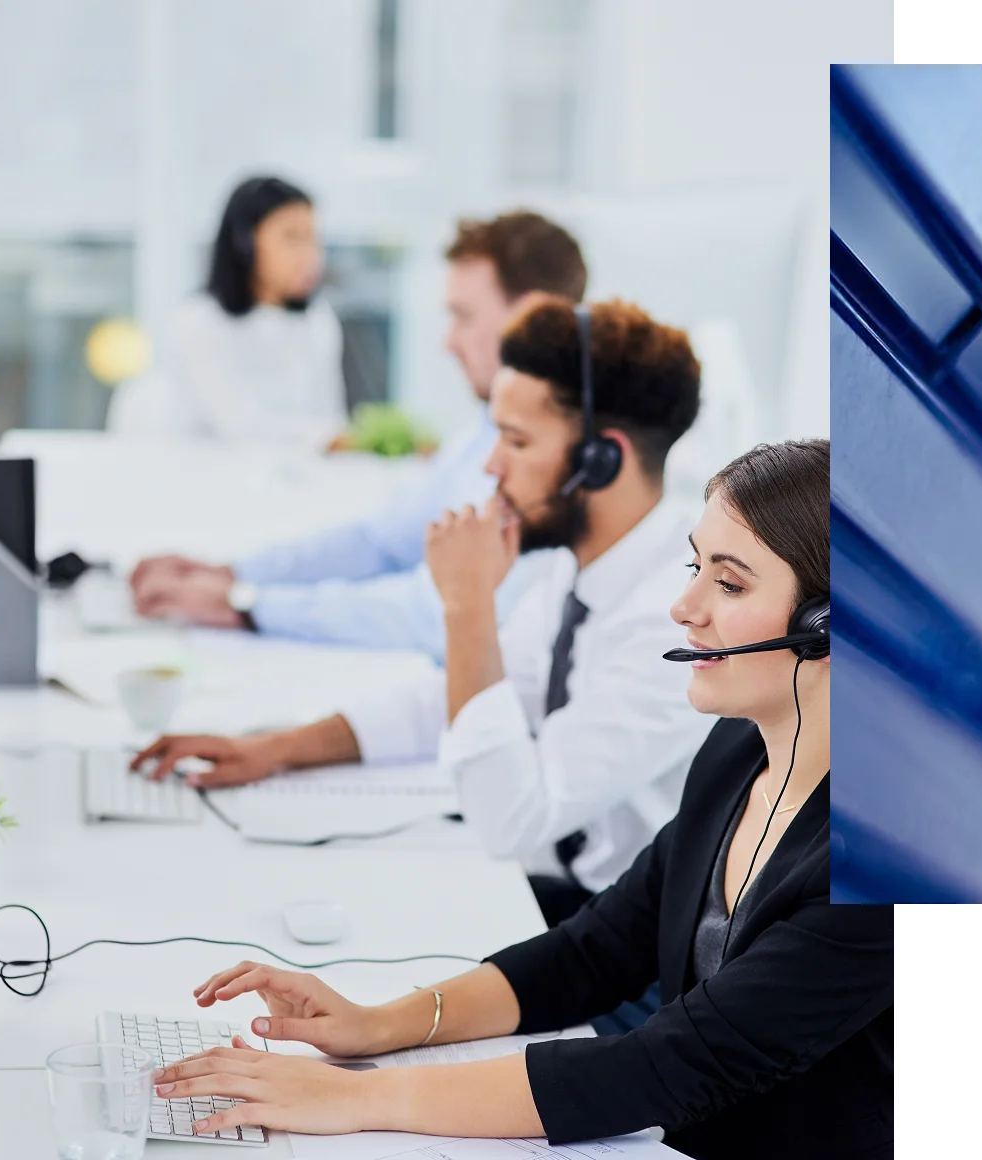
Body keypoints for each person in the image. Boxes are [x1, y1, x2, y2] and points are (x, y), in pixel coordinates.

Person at [147, 439, 898, 1159]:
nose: (683, 606)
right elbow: (594, 950)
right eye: (694, 567)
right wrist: (376, 1025)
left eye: (728, 584)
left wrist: (355, 1100)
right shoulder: (741, 749)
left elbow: (668, 1064)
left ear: (826, 626)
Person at [133, 297, 719, 928]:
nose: (491, 466)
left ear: (602, 459)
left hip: (623, 943)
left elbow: (514, 819)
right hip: (548, 894)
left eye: (516, 441)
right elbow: (456, 700)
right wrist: (274, 750)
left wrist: (467, 607)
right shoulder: (576, 566)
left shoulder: (678, 621)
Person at [128, 211, 589, 655]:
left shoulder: (555, 463)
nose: (447, 342)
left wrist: (247, 604)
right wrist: (233, 573)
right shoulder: (480, 434)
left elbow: (433, 613)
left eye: (464, 317)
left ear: (532, 318)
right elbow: (381, 541)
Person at [148, 176, 349, 450]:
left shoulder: (317, 320)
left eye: (314, 239)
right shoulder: (198, 322)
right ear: (244, 240)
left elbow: (333, 420)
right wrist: (330, 439)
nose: (311, 256)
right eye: (292, 238)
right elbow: (245, 429)